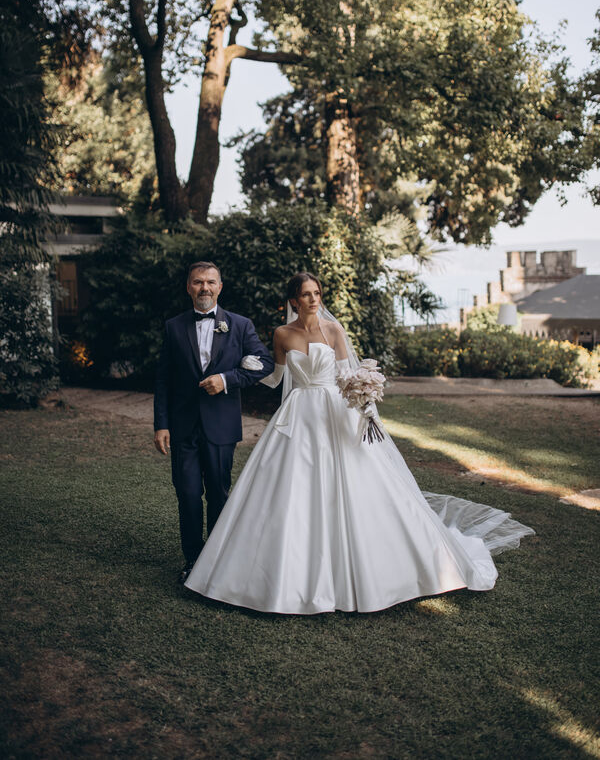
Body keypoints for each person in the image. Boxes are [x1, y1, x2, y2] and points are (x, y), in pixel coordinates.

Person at [184, 272, 535, 614]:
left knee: (358, 485)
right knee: (288, 487)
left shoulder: (334, 329)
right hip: (297, 416)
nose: (313, 299)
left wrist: (364, 396)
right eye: (306, 294)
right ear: (293, 300)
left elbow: (345, 375)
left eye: (317, 294)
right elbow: (277, 379)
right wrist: (249, 366)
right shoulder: (281, 334)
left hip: (334, 413)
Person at [154, 261, 274, 583]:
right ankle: (193, 561)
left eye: (210, 282)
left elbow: (264, 363)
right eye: (197, 282)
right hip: (182, 427)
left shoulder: (240, 325)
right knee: (188, 493)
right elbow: (163, 379)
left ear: (220, 287)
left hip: (221, 426)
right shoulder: (173, 327)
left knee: (219, 494)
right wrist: (161, 424)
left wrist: (227, 378)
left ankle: (220, 560)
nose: (204, 288)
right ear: (188, 287)